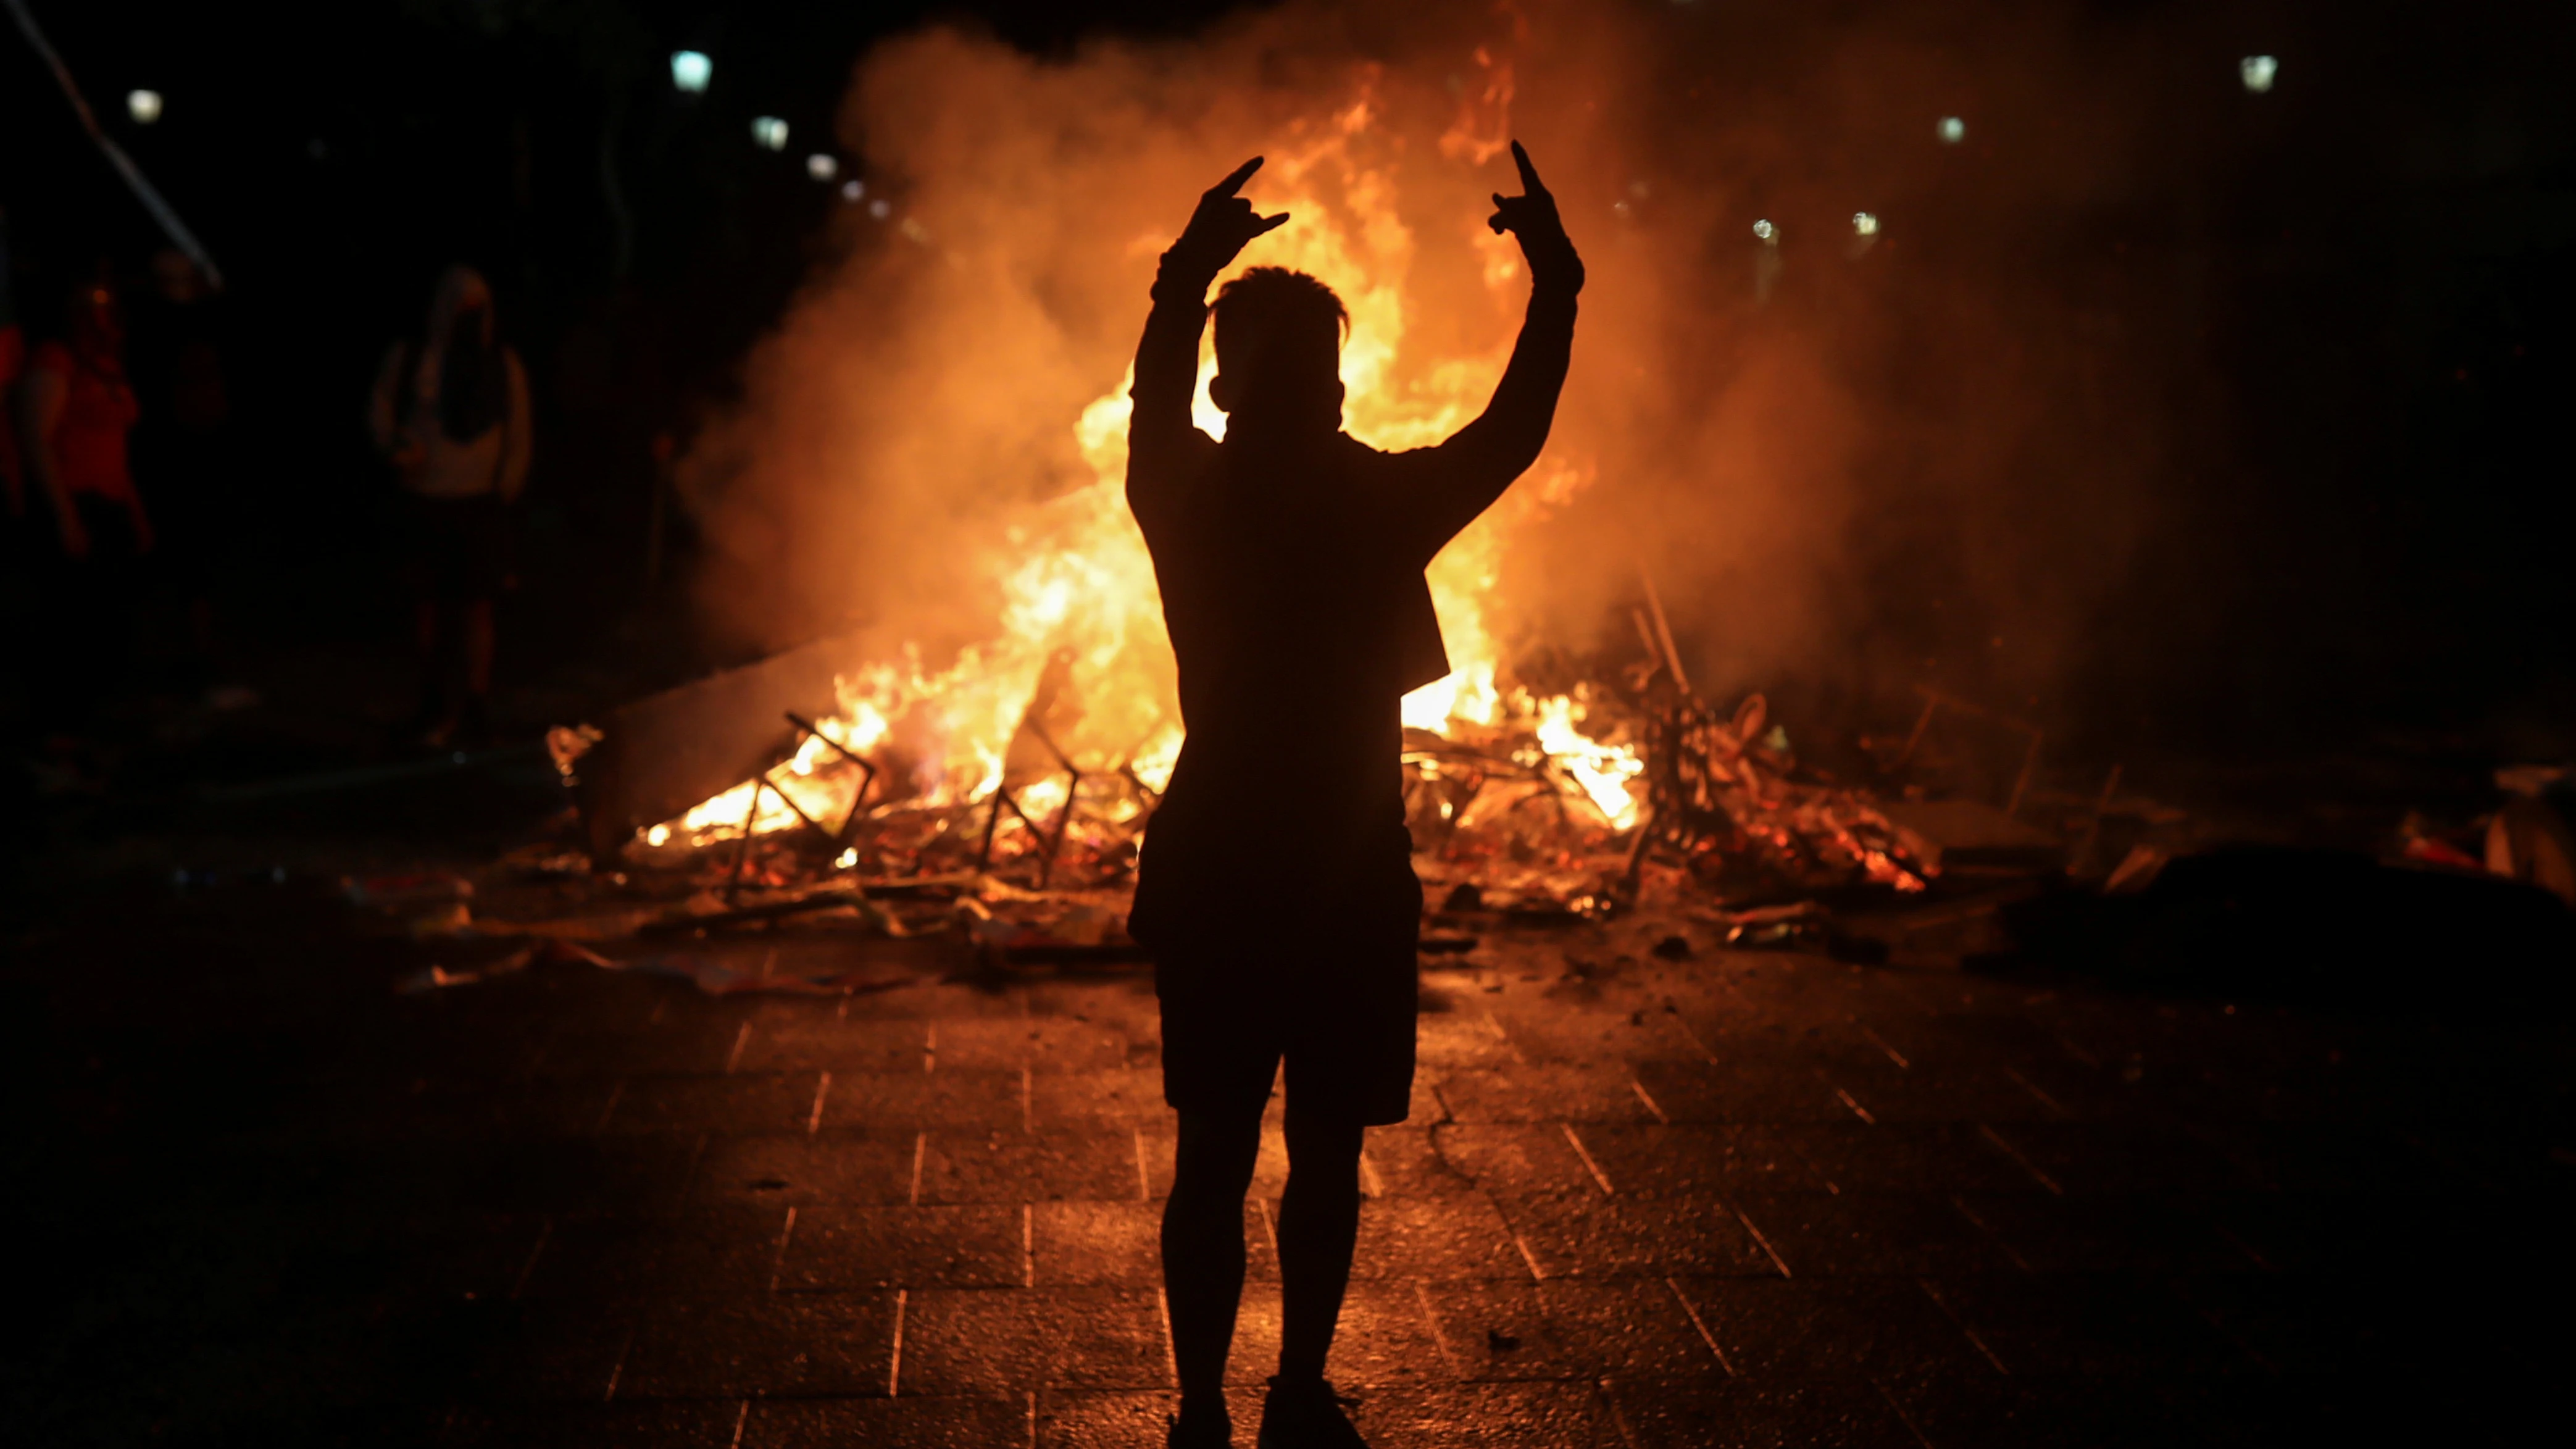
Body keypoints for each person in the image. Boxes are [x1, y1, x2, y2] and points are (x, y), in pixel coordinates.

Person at [1125, 144, 1582, 1448]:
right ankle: (1290, 1393)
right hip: (1344, 881)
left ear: (1225, 388)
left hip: (1216, 868)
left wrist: (1179, 282)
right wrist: (1555, 290)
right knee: (1323, 1153)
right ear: (1331, 389)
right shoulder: (1377, 499)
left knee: (1213, 1151)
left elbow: (1156, 395)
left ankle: (1205, 1408)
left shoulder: (1180, 489)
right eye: (1317, 369)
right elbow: (1513, 431)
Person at [369, 265, 530, 748]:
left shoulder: (501, 364)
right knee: (428, 605)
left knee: (477, 606)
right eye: (459, 305)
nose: (468, 316)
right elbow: (378, 408)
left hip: (479, 502)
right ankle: (433, 698)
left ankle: (476, 702)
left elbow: (519, 430)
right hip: (426, 498)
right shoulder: (414, 357)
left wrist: (505, 487)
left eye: (476, 307)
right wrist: (395, 448)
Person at [21, 266, 151, 731]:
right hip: (76, 504)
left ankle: (89, 728)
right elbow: (37, 437)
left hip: (111, 508)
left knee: (109, 628)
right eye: (91, 310)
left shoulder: (109, 367)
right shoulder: (56, 360)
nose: (102, 320)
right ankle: (56, 736)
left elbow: (117, 445)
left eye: (107, 310)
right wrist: (64, 516)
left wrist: (135, 510)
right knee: (70, 628)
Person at [127, 246, 236, 692]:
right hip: (169, 461)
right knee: (177, 560)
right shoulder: (157, 330)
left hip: (196, 459)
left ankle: (197, 653)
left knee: (194, 563)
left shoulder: (194, 327)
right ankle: (184, 655)